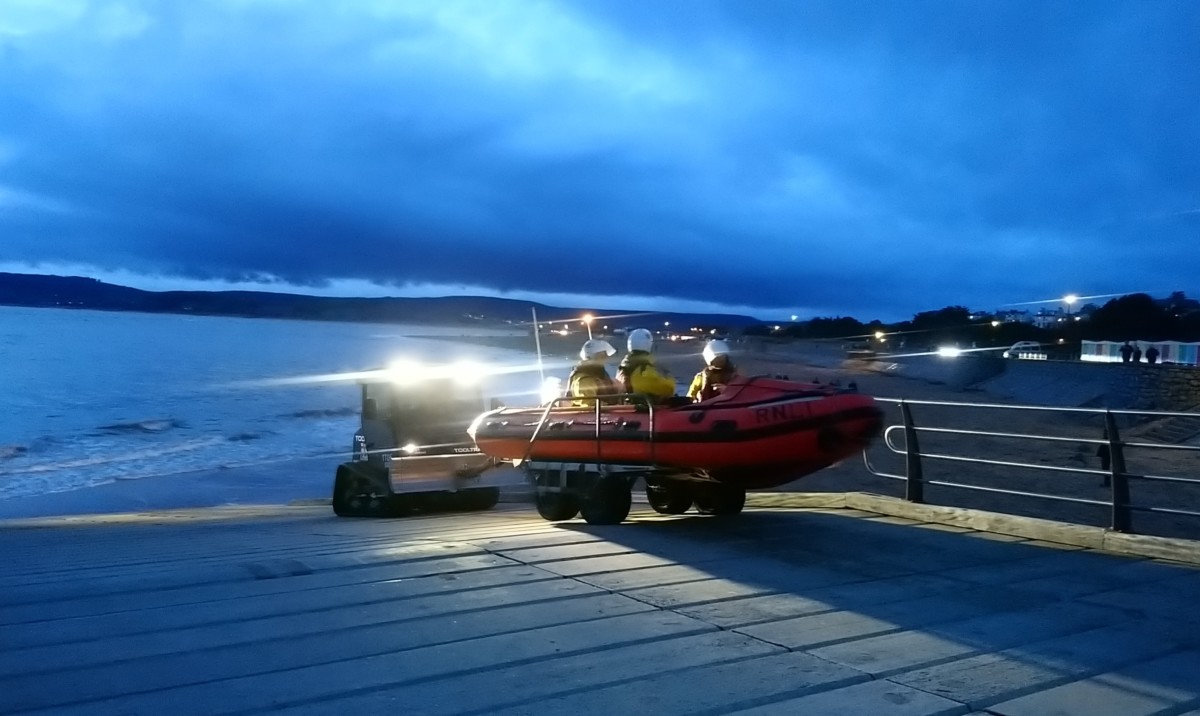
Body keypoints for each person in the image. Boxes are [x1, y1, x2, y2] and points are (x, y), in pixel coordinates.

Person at [614, 328, 675, 403]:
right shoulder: (645, 369)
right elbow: (669, 389)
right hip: (644, 408)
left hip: (627, 406)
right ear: (648, 345)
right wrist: (668, 376)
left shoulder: (622, 367)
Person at [566, 338, 618, 406]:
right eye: (603, 354)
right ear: (597, 355)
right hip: (593, 415)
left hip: (605, 413)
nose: (606, 357)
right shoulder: (585, 379)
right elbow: (589, 404)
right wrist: (613, 407)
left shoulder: (598, 374)